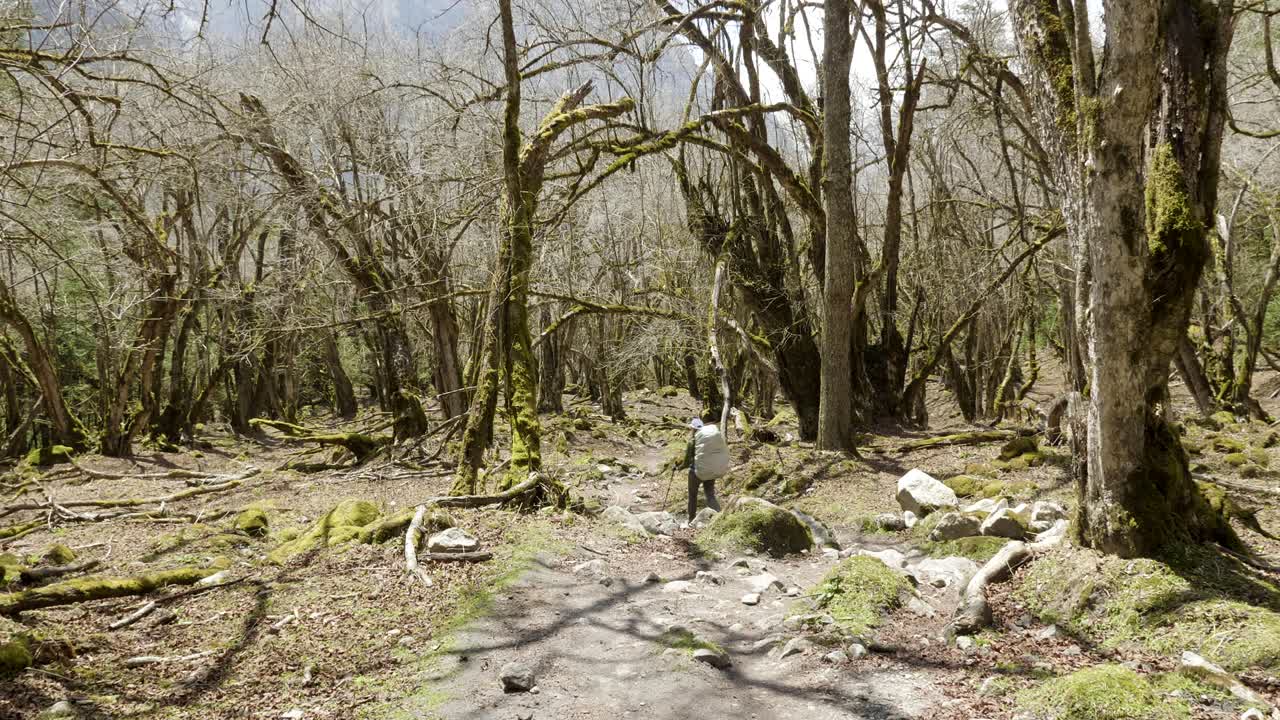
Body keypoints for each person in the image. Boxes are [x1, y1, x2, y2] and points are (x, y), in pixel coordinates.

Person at [683, 417, 727, 520]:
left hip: (696, 473)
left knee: (693, 496)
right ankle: (719, 517)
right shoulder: (710, 441)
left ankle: (691, 520)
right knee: (710, 495)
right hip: (710, 471)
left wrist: (677, 467)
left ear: (692, 429)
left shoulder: (692, 442)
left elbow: (687, 462)